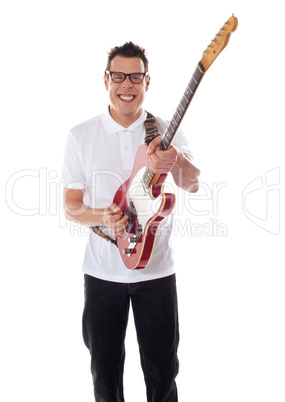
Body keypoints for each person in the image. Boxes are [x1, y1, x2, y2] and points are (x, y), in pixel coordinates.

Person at [61, 41, 200, 402]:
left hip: (156, 271)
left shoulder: (166, 131)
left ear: (147, 82)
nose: (127, 84)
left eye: (135, 76)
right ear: (105, 80)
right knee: (104, 373)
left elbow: (194, 183)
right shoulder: (80, 135)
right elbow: (71, 206)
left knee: (163, 373)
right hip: (102, 273)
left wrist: (176, 161)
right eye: (119, 76)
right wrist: (103, 218)